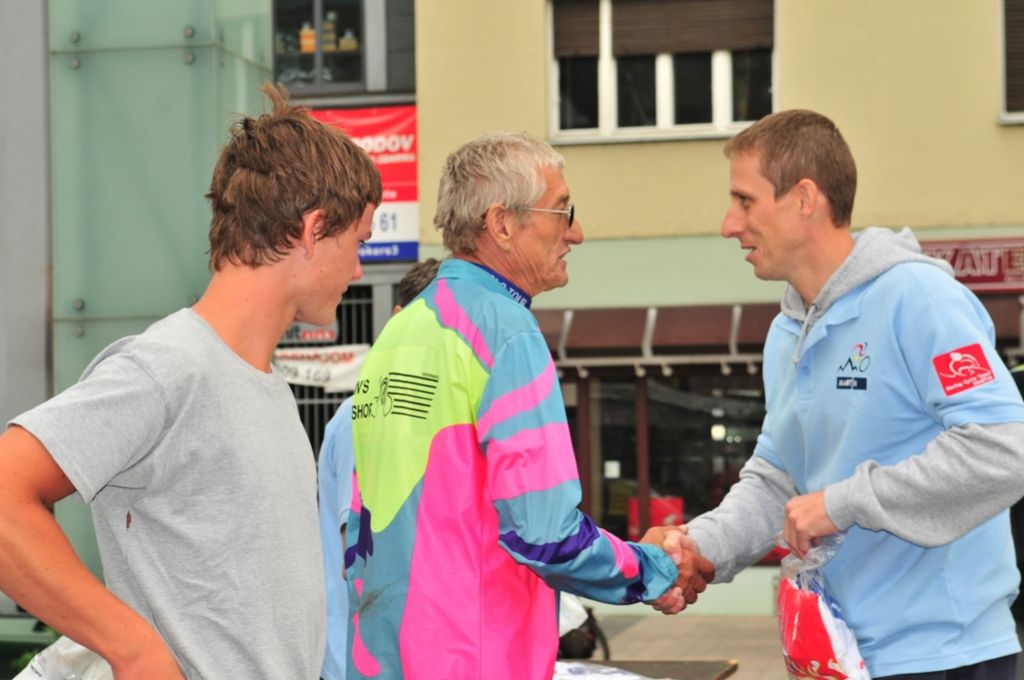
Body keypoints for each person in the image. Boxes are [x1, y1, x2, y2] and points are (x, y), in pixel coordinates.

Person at [0, 83, 382, 679]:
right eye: (357, 242)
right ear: (313, 229)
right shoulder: (170, 367)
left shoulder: (262, 386)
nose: (359, 269)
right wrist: (134, 649)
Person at [344, 131, 714, 680]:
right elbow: (545, 534)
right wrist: (653, 569)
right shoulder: (506, 330)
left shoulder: (402, 331)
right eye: (564, 211)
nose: (578, 233)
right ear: (501, 224)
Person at [681, 109, 1024, 678]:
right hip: (837, 657)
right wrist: (698, 547)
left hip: (944, 658)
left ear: (804, 199)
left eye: (745, 201)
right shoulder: (787, 330)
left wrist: (841, 502)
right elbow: (777, 477)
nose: (728, 224)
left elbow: (1005, 449)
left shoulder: (917, 297)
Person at [317, 257, 441, 680]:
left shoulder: (428, 414)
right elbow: (361, 559)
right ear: (397, 320)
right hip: (365, 661)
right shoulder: (366, 415)